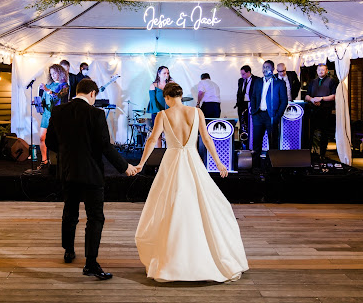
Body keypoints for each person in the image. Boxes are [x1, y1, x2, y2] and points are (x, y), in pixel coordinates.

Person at [134, 83, 249, 282]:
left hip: (172, 162)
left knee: (170, 207)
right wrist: (219, 162)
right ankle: (203, 256)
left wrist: (141, 163)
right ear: (181, 95)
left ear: (167, 97)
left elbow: (152, 140)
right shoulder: (197, 112)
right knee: (200, 205)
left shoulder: (163, 115)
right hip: (193, 161)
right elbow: (207, 139)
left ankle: (173, 260)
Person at [45, 79, 139, 280]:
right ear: (93, 94)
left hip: (68, 171)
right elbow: (105, 146)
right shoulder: (96, 114)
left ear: (77, 91)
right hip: (91, 173)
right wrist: (125, 167)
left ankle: (68, 251)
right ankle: (90, 263)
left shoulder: (58, 111)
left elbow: (51, 141)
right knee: (95, 217)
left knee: (69, 212)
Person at [249, 60, 288, 167]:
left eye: (267, 67)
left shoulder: (279, 83)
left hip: (271, 116)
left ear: (273, 69)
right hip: (258, 115)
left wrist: (277, 116)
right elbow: (253, 97)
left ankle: (272, 166)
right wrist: (253, 112)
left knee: (273, 142)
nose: (265, 69)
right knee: (256, 142)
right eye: (263, 67)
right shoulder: (257, 81)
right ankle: (256, 166)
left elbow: (284, 101)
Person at [36, 64, 69, 171]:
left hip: (58, 115)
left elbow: (59, 96)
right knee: (42, 138)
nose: (53, 75)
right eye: (51, 73)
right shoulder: (48, 85)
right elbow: (45, 100)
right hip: (46, 115)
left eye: (55, 72)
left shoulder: (64, 86)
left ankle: (60, 161)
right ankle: (44, 160)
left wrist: (47, 90)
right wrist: (39, 103)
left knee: (58, 140)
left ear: (61, 72)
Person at [305, 63, 338, 158]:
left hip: (325, 111)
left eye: (323, 70)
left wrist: (321, 99)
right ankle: (308, 154)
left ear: (327, 71)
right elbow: (307, 95)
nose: (321, 71)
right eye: (319, 70)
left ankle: (322, 154)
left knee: (324, 134)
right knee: (310, 133)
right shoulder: (312, 82)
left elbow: (334, 96)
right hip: (313, 111)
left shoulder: (332, 81)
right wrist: (312, 99)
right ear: (316, 71)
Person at [147, 66, 174, 147]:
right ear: (159, 74)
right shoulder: (153, 85)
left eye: (168, 73)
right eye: (164, 73)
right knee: (158, 134)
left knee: (170, 133)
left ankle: (169, 152)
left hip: (169, 112)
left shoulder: (171, 84)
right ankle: (159, 152)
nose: (166, 75)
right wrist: (158, 111)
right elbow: (152, 100)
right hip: (157, 112)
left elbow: (175, 98)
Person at [234, 65, 259, 141]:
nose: (242, 75)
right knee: (242, 121)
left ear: (249, 72)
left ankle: (251, 138)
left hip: (251, 103)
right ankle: (243, 139)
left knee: (250, 121)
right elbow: (239, 92)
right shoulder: (240, 80)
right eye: (241, 74)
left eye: (243, 74)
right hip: (242, 103)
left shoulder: (256, 80)